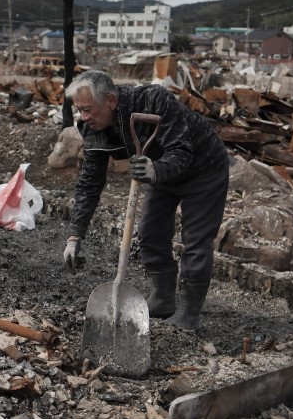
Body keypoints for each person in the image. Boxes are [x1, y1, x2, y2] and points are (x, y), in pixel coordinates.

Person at [62, 70, 229, 331]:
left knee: (194, 242)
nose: (83, 117)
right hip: (160, 175)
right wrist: (75, 235)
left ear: (110, 101)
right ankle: (163, 298)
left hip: (203, 168)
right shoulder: (93, 128)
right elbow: (89, 182)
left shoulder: (154, 101)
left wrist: (155, 170)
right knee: (149, 233)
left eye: (88, 109)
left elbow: (182, 151)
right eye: (79, 110)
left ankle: (189, 314)